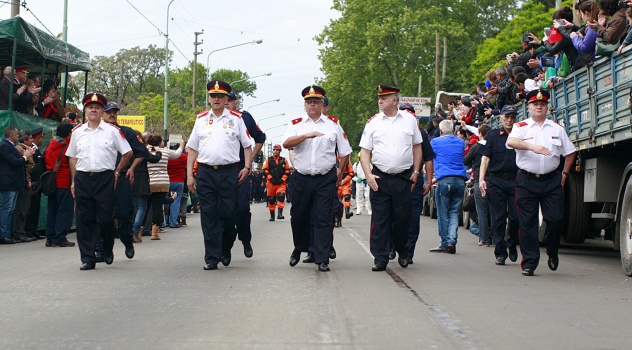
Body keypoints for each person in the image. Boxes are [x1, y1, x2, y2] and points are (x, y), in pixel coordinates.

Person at [506, 89, 576, 276]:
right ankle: (529, 263)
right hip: (527, 180)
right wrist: (532, 146)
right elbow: (511, 142)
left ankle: (552, 251)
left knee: (555, 219)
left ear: (547, 107)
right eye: (535, 104)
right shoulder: (521, 127)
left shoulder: (556, 128)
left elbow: (570, 152)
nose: (539, 107)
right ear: (528, 107)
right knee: (527, 223)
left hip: (552, 180)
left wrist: (564, 174)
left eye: (542, 104)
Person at [283, 85, 352, 272]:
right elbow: (286, 143)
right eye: (309, 102)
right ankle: (299, 248)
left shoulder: (333, 124)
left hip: (325, 178)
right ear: (304, 105)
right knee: (299, 216)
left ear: (322, 104)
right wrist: (306, 136)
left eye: (316, 101)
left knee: (323, 217)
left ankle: (322, 258)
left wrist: (340, 171)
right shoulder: (296, 124)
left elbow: (345, 151)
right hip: (302, 177)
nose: (312, 105)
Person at [186, 80, 253, 271]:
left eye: (220, 96)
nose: (216, 99)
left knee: (228, 213)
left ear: (226, 99)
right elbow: (192, 149)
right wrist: (190, 175)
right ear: (208, 98)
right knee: (209, 215)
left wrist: (247, 167)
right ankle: (211, 257)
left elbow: (247, 145)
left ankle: (226, 246)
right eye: (213, 96)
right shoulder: (201, 120)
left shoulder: (236, 119)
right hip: (206, 172)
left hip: (229, 172)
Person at [65, 93, 132, 270]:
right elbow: (72, 157)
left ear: (102, 111)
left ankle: (107, 247)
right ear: (85, 110)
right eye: (90, 107)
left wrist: (117, 172)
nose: (93, 110)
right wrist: (73, 180)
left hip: (105, 178)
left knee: (106, 219)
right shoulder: (77, 132)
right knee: (84, 219)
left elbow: (127, 152)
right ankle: (88, 258)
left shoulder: (113, 131)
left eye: (97, 107)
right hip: (83, 178)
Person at [359, 85, 422, 271]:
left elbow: (417, 146)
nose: (380, 101)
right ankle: (380, 257)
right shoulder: (373, 122)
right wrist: (368, 174)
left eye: (384, 98)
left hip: (403, 177)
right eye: (379, 97)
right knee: (380, 220)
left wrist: (416, 172)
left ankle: (402, 251)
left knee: (402, 219)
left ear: (395, 100)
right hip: (380, 177)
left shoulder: (409, 120)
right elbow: (364, 151)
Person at [96, 101, 150, 260]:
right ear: (102, 114)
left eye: (114, 112)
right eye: (108, 112)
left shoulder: (127, 132)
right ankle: (103, 250)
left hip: (122, 178)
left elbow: (141, 153)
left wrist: (132, 168)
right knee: (102, 216)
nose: (112, 114)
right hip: (103, 178)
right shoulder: (95, 132)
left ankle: (127, 241)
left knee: (124, 214)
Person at [222, 90, 266, 262]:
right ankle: (225, 248)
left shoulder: (244, 118)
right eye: (224, 99)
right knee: (223, 212)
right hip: (219, 171)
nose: (226, 103)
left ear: (236, 102)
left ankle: (245, 240)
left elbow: (260, 138)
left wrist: (251, 159)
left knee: (241, 209)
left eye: (230, 100)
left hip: (240, 169)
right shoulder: (209, 119)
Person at [478, 105, 521, 265]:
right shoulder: (493, 136)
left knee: (516, 216)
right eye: (507, 117)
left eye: (512, 117)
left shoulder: (520, 135)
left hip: (516, 180)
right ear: (501, 117)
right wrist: (482, 179)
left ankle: (512, 242)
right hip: (497, 181)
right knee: (498, 217)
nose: (509, 120)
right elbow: (485, 159)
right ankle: (500, 252)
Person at [398, 103, 435, 265]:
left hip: (414, 179)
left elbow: (428, 159)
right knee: (393, 214)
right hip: (394, 178)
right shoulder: (390, 130)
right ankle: (393, 244)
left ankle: (408, 251)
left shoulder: (421, 134)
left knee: (412, 217)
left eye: (410, 113)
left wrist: (428, 180)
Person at [429, 120, 467, 254]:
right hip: (460, 180)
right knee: (454, 213)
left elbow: (430, 156)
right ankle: (452, 240)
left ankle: (444, 243)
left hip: (444, 179)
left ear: (440, 131)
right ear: (454, 130)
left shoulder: (435, 142)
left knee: (443, 213)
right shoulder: (461, 142)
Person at [0, 126, 36, 244]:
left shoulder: (10, 146)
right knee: (7, 208)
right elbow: (14, 162)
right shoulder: (4, 146)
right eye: (16, 134)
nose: (17, 136)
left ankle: (7, 233)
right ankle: (3, 233)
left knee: (11, 209)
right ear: (11, 135)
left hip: (13, 183)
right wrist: (26, 156)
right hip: (8, 183)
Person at [43, 123, 76, 247]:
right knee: (65, 211)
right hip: (64, 182)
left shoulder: (50, 146)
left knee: (52, 210)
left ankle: (50, 237)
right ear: (68, 134)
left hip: (51, 183)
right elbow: (72, 164)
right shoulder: (67, 147)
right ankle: (60, 238)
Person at [146, 134, 183, 240]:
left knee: (146, 207)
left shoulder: (146, 152)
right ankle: (155, 232)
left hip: (148, 182)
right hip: (162, 182)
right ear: (159, 142)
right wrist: (181, 146)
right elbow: (176, 155)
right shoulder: (165, 152)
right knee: (157, 207)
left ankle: (139, 230)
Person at [463, 123, 492, 246]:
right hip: (494, 180)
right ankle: (496, 237)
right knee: (495, 211)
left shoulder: (476, 147)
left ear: (480, 134)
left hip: (480, 180)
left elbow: (465, 160)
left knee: (482, 211)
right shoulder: (493, 145)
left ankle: (484, 239)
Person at [25, 127, 46, 241]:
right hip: (33, 182)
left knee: (36, 208)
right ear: (37, 138)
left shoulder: (37, 150)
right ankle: (29, 230)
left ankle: (33, 230)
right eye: (41, 137)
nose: (42, 139)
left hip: (38, 183)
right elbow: (32, 168)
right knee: (31, 208)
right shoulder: (32, 150)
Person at [262, 144, 290, 221]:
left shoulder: (284, 160)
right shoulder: (268, 160)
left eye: (277, 150)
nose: (275, 151)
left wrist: (283, 179)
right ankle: (272, 215)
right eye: (274, 150)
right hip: (271, 183)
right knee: (271, 199)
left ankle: (280, 214)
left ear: (280, 151)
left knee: (281, 196)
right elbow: (265, 170)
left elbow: (287, 170)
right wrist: (270, 178)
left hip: (281, 183)